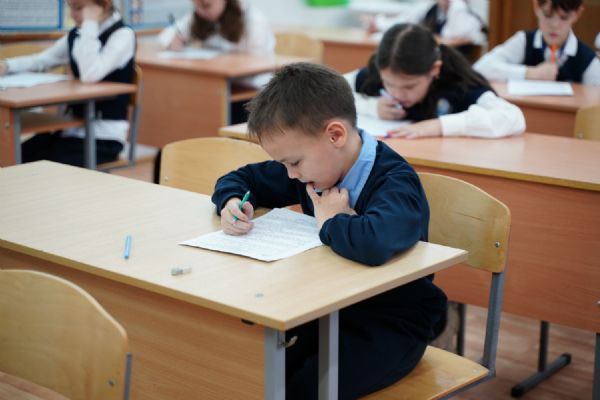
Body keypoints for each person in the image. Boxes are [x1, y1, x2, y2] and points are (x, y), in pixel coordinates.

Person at [211, 62, 447, 399]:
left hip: (391, 323)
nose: (290, 175)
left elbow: (375, 242)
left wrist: (332, 222)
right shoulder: (312, 166)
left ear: (335, 135)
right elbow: (242, 178)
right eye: (283, 165)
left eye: (294, 163)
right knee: (257, 371)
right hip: (325, 308)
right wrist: (232, 201)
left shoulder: (395, 181)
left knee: (306, 389)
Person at [0, 0, 135, 166]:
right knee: (13, 156)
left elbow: (90, 74)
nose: (72, 15)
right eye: (70, 7)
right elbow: (43, 60)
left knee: (38, 169)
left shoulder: (122, 35)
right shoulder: (78, 34)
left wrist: (90, 23)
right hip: (69, 131)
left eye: (79, 8)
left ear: (104, 5)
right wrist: (7, 66)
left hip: (103, 138)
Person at [345, 23, 525, 139]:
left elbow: (513, 118)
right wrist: (372, 107)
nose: (397, 94)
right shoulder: (381, 71)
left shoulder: (458, 83)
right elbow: (333, 93)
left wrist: (439, 126)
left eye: (409, 86)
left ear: (434, 69)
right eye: (389, 84)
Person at [473, 0, 600, 85]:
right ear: (536, 6)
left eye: (564, 17)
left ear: (577, 14)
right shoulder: (524, 41)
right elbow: (480, 69)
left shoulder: (587, 59)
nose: (554, 25)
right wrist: (531, 73)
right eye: (547, 15)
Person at [363, 0, 486, 59]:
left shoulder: (466, 14)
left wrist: (455, 5)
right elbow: (404, 20)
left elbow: (453, 34)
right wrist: (378, 23)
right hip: (428, 57)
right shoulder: (430, 8)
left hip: (452, 61)